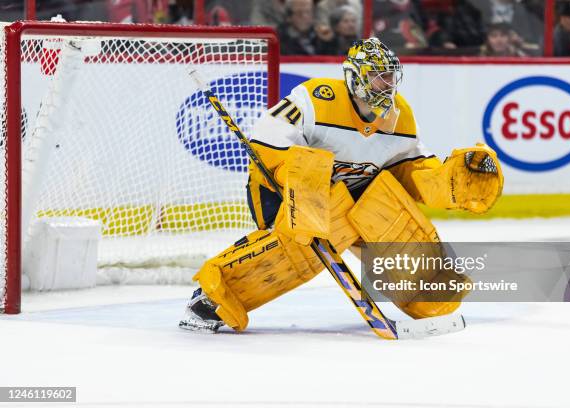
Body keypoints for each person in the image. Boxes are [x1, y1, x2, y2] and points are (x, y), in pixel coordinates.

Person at [178, 38, 504, 334]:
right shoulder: (318, 98)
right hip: (280, 192)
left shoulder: (400, 116)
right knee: (298, 244)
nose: (387, 84)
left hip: (347, 199)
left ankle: (426, 295)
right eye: (379, 76)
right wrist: (306, 186)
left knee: (393, 216)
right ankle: (211, 299)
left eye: (390, 76)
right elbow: (267, 141)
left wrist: (446, 183)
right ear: (356, 77)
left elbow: (410, 168)